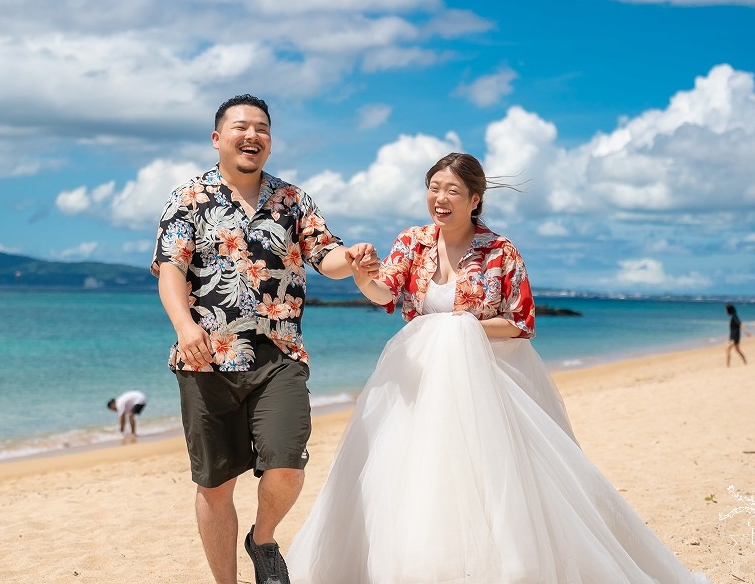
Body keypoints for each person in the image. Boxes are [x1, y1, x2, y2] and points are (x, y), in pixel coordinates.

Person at [285, 153, 708, 583]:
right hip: (418, 384)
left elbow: (521, 323)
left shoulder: (500, 251)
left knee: (496, 482)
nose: (440, 198)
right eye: (433, 188)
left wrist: (463, 328)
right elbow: (384, 293)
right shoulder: (411, 241)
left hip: (486, 383)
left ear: (475, 199)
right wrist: (361, 277)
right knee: (414, 477)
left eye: (452, 190)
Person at [152, 94, 377, 584]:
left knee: (287, 466)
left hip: (279, 356)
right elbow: (170, 268)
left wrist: (353, 260)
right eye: (240, 127)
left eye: (262, 129)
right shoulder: (188, 198)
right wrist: (185, 326)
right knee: (215, 486)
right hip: (205, 360)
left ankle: (263, 537)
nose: (251, 135)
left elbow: (327, 257)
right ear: (218, 139)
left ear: (270, 143)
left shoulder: (293, 201)